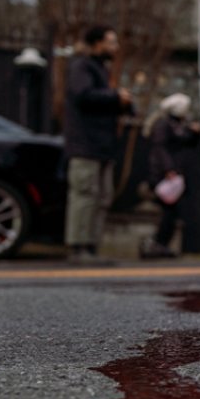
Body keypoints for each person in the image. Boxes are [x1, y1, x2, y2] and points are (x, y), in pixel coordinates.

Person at [63, 25, 134, 264]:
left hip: (103, 147)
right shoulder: (81, 66)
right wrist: (115, 97)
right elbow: (82, 95)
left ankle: (91, 246)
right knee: (85, 196)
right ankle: (78, 247)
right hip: (85, 145)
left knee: (102, 197)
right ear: (97, 43)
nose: (115, 48)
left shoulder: (100, 69)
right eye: (111, 42)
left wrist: (121, 102)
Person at [140, 93, 200, 259]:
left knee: (174, 213)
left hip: (177, 175)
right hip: (164, 175)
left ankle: (163, 244)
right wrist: (168, 168)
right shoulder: (163, 124)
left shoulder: (179, 124)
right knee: (168, 211)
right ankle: (157, 243)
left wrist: (195, 133)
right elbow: (160, 148)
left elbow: (187, 142)